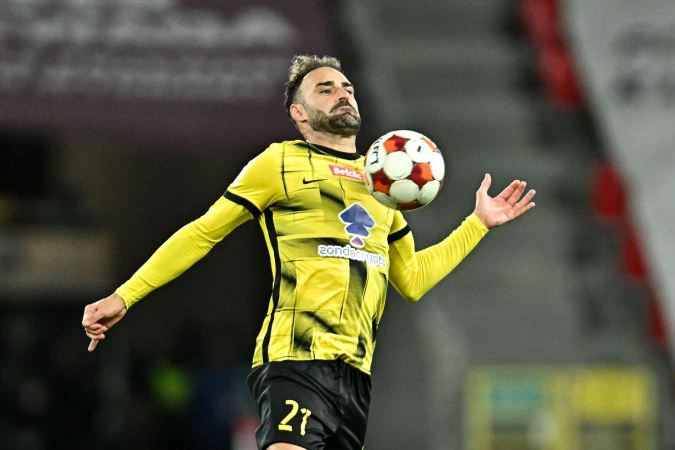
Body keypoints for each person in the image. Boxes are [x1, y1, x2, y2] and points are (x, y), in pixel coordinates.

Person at [82, 54, 536, 450]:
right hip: (296, 358)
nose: (343, 94)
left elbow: (412, 280)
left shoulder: (383, 187)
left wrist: (477, 225)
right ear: (299, 113)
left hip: (356, 376)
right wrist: (126, 295)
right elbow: (203, 232)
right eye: (326, 89)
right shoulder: (279, 162)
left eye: (347, 87)